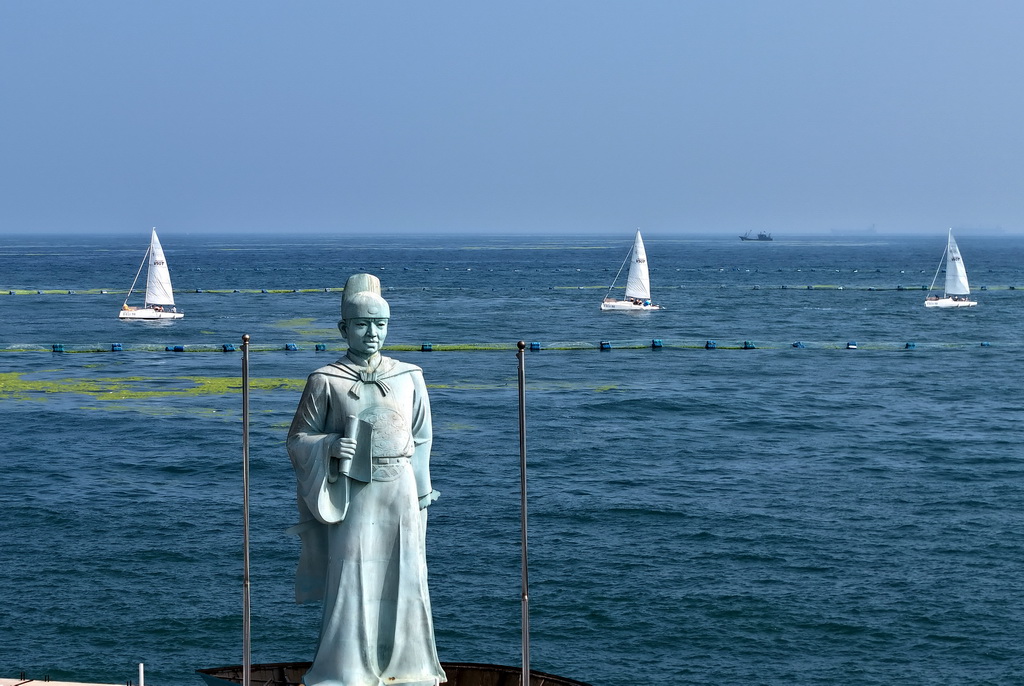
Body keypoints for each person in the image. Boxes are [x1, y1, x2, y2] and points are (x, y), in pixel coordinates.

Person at [287, 274, 445, 686]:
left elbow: (423, 435)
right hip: (352, 492)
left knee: (406, 573)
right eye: (361, 324)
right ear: (344, 329)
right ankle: (347, 669)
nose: (372, 333)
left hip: (402, 488)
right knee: (352, 574)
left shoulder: (409, 374)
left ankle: (409, 666)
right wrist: (331, 446)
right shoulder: (326, 379)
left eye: (380, 324)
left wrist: (423, 491)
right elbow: (298, 439)